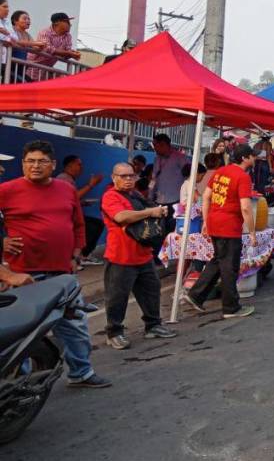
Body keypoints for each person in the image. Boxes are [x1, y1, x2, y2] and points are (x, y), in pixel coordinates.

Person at [0, 140, 110, 387]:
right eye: (30, 161)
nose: (35, 166)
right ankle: (20, 384)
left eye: (41, 161)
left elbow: (78, 224)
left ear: (52, 164)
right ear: (23, 164)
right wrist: (2, 242)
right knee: (22, 334)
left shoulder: (66, 189)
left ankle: (81, 372)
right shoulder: (7, 190)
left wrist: (76, 253)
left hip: (62, 274)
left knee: (75, 326)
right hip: (23, 274)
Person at [100, 163, 178, 349]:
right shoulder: (110, 196)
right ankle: (114, 332)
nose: (128, 179)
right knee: (117, 297)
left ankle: (153, 325)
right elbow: (121, 217)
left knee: (151, 291)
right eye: (123, 176)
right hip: (121, 256)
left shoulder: (135, 194)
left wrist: (158, 211)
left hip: (143, 254)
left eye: (131, 176)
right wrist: (151, 212)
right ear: (114, 178)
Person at [183, 144, 258, 319]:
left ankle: (196, 295)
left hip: (216, 223)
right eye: (253, 156)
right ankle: (231, 308)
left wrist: (207, 221)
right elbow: (246, 207)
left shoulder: (219, 172)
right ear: (245, 158)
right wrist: (252, 232)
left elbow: (206, 197)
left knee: (218, 260)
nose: (254, 159)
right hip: (228, 227)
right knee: (229, 267)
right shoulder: (242, 177)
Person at [54, 154, 106, 265]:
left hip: (71, 217)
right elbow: (72, 197)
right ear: (69, 166)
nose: (81, 167)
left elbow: (69, 200)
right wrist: (90, 185)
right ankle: (82, 256)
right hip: (64, 219)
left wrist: (82, 203)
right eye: (79, 164)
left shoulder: (68, 179)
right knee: (94, 225)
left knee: (95, 224)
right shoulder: (63, 178)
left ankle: (82, 255)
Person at [26, 13, 80, 81]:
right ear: (57, 22)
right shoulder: (45, 32)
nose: (70, 24)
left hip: (46, 69)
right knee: (27, 87)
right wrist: (69, 53)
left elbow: (66, 53)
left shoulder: (68, 36)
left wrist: (73, 55)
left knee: (60, 81)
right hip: (31, 66)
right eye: (67, 22)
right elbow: (49, 49)